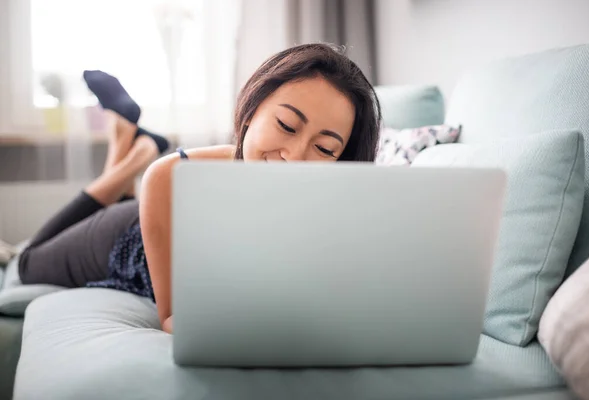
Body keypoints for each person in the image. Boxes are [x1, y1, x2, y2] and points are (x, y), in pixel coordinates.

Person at [18, 43, 382, 333]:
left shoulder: (335, 207)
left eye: (324, 149)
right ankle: (136, 155)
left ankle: (127, 137)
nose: (294, 157)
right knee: (28, 262)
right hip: (125, 237)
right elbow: (174, 319)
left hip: (153, 209)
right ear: (252, 109)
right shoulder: (171, 176)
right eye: (286, 125)